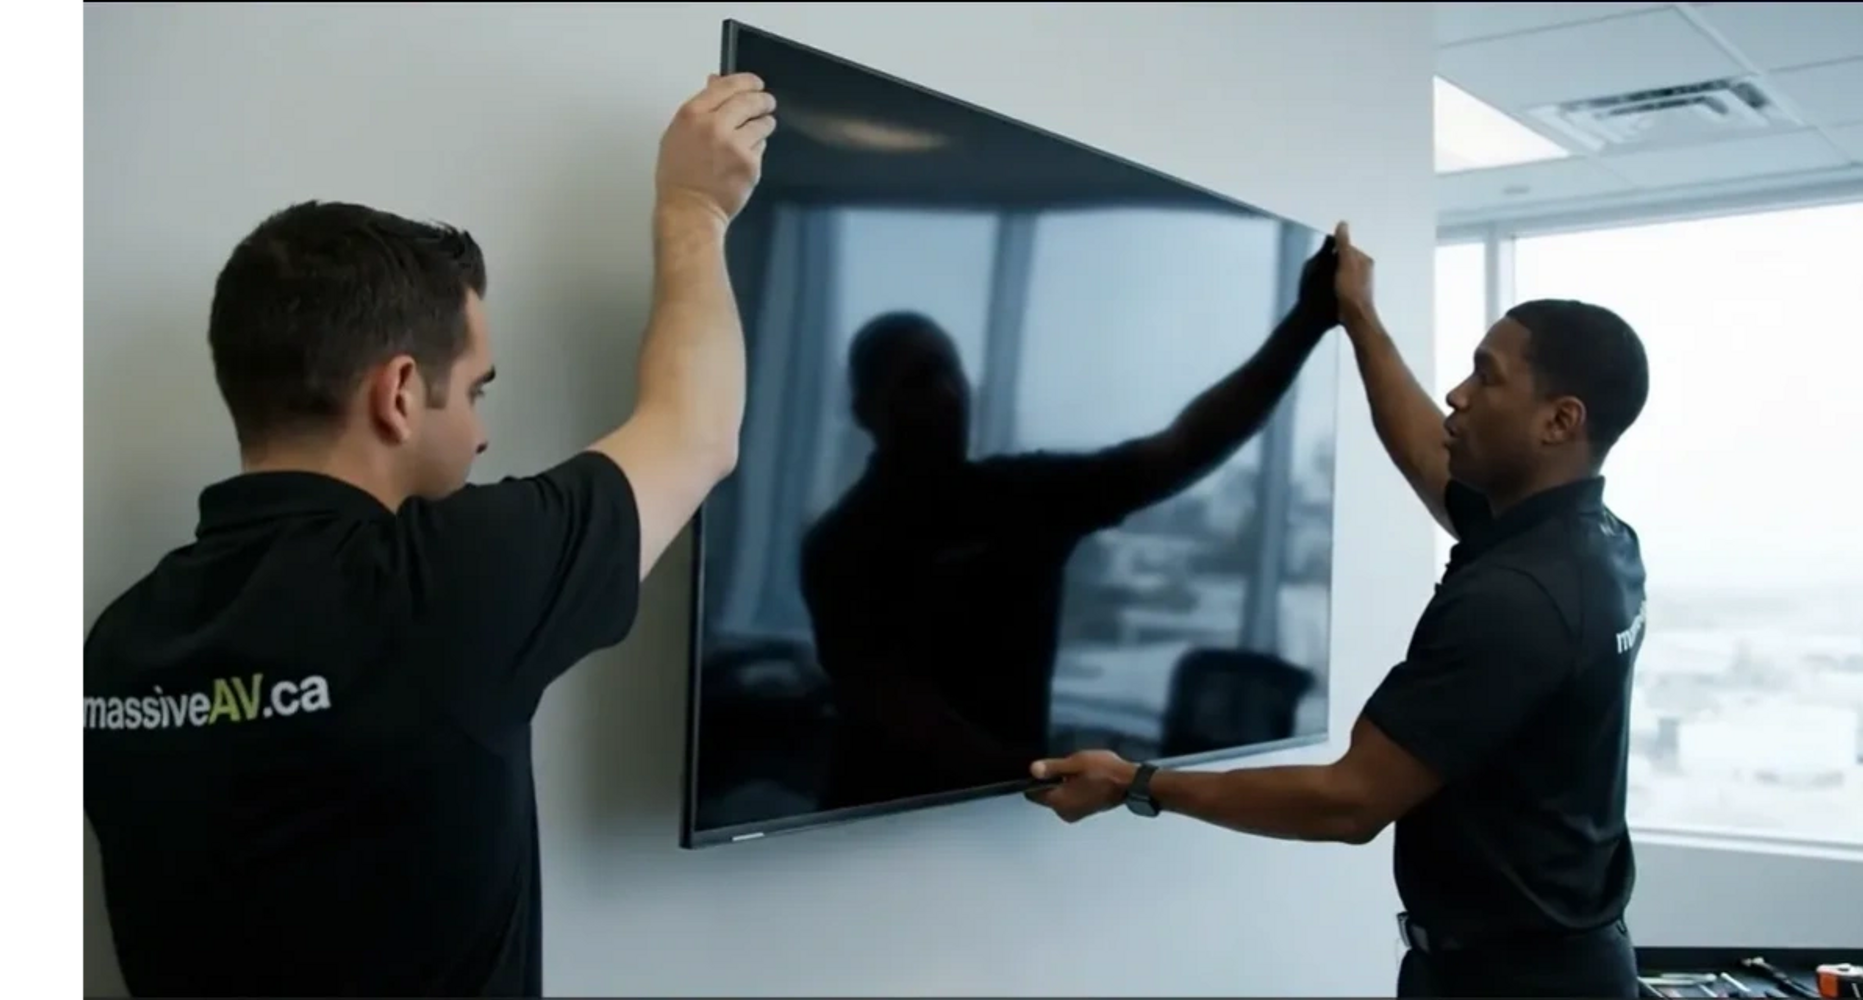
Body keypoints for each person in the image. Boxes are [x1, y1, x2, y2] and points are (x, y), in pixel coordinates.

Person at [76, 73, 776, 997]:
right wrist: (691, 207)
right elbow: (694, 432)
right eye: (478, 387)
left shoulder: (119, 646)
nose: (483, 432)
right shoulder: (441, 581)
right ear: (399, 392)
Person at [1025, 221, 1652, 999]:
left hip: (1512, 981)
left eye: (1484, 378)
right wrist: (1357, 317)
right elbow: (1429, 452)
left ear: (1559, 420)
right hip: (1558, 961)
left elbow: (1349, 799)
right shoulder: (1594, 544)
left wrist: (1138, 784)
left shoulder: (1516, 597)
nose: (1456, 394)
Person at [800, 238, 1339, 813]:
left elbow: (1187, 445)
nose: (950, 393)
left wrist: (1305, 324)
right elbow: (903, 712)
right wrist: (1051, 774)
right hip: (875, 822)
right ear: (866, 410)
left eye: (952, 370)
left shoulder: (1019, 494)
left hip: (1006, 815)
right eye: (919, 379)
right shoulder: (843, 545)